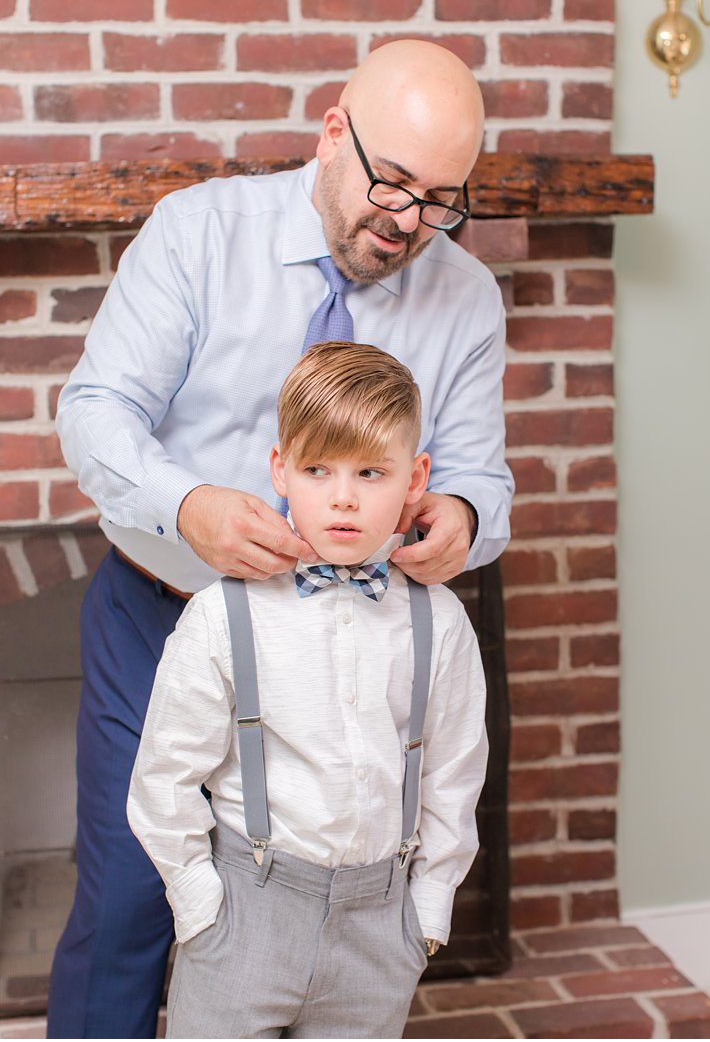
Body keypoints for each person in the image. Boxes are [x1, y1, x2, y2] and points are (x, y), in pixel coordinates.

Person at [49, 39, 514, 1037]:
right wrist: (188, 507)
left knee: (329, 909)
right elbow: (93, 413)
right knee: (130, 898)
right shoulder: (196, 233)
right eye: (390, 183)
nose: (406, 222)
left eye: (440, 201)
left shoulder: (466, 299)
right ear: (331, 132)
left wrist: (461, 523)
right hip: (162, 620)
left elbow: (478, 476)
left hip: (350, 659)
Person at [129, 342, 489, 1038]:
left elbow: (452, 770)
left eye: (370, 471)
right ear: (281, 471)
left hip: (380, 924)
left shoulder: (438, 620)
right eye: (318, 469)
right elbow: (164, 774)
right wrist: (200, 903)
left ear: (415, 479)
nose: (344, 494)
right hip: (246, 913)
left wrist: (429, 908)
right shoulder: (225, 612)